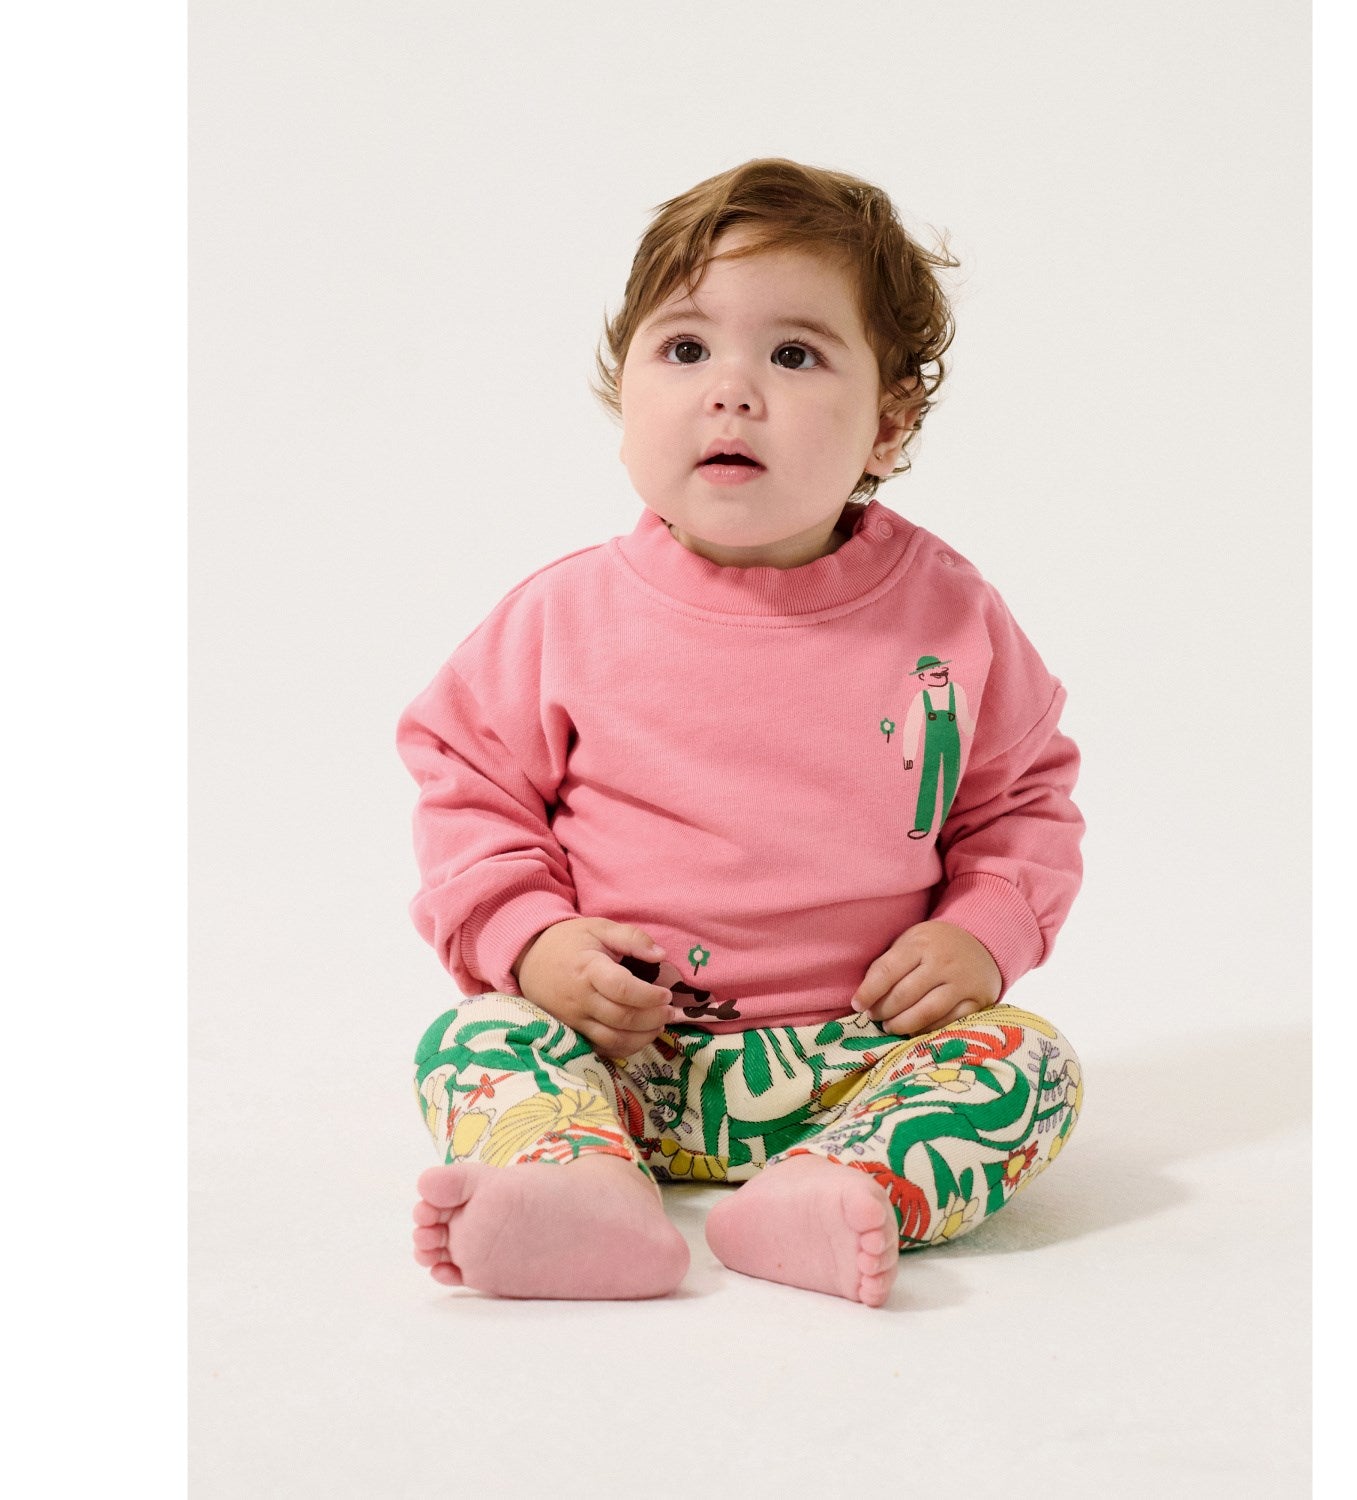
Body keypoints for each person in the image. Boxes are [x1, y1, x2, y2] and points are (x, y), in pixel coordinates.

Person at [399, 157, 1086, 1308]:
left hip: (861, 1057)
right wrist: (533, 944)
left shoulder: (949, 617)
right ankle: (577, 1185)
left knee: (1034, 1066)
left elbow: (1021, 803)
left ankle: (836, 1187)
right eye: (685, 349)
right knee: (475, 1042)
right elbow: (468, 784)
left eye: (794, 355)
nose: (732, 391)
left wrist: (983, 932)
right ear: (626, 398)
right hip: (625, 1054)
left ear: (887, 425)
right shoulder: (563, 618)